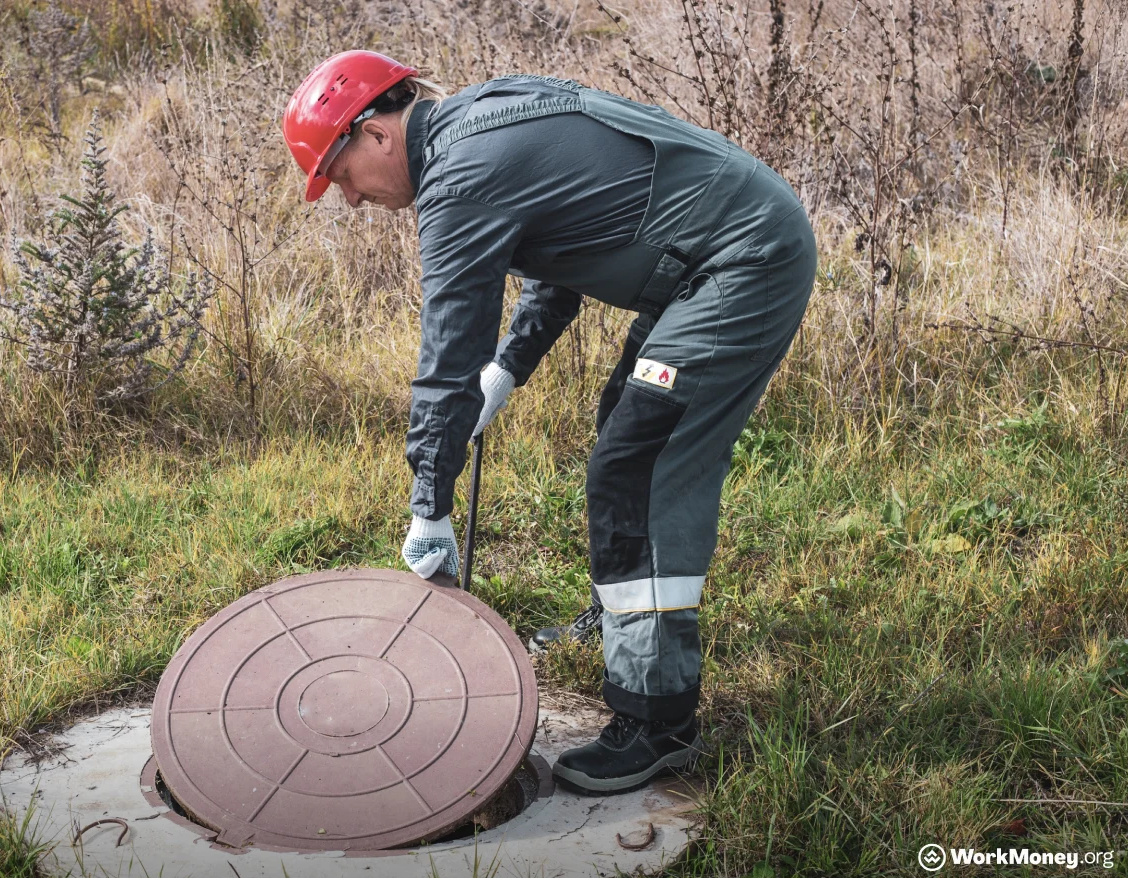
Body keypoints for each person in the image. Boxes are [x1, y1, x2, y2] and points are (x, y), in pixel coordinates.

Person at [282, 51, 816, 794]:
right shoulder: (478, 125)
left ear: (373, 134)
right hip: (702, 263)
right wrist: (507, 370)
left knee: (640, 463)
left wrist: (429, 505)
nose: (351, 200)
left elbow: (448, 346)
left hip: (742, 260)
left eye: (340, 178)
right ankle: (621, 621)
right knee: (624, 423)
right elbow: (562, 255)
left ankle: (656, 720)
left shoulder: (459, 178)